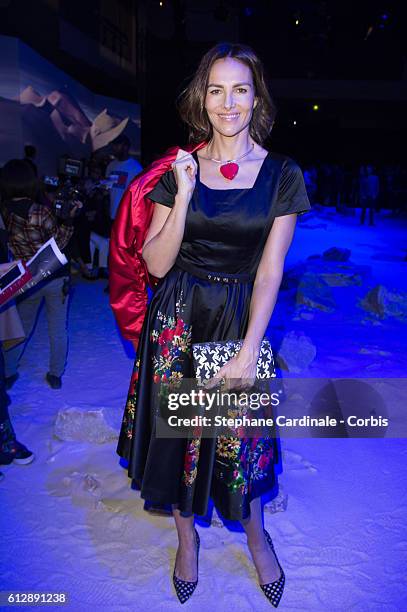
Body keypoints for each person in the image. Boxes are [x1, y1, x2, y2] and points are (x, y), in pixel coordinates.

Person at [110, 42, 311, 607]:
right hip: (177, 320)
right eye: (216, 89)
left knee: (239, 443)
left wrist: (250, 350)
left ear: (256, 97)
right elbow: (155, 263)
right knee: (177, 441)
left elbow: (270, 273)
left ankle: (255, 535)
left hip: (237, 320)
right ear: (203, 97)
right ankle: (185, 540)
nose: (228, 102)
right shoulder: (179, 169)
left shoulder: (282, 175)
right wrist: (185, 192)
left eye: (240, 89)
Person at [0, 160, 81, 390]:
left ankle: (9, 372)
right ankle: (55, 374)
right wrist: (69, 221)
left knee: (21, 326)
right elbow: (60, 243)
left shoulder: (3, 213)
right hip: (55, 276)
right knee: (57, 328)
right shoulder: (40, 211)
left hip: (26, 279)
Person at [106, 134, 142, 222]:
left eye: (117, 145)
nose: (114, 148)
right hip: (112, 213)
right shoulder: (111, 165)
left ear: (125, 147)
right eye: (113, 145)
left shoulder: (136, 168)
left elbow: (139, 195)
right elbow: (109, 188)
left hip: (126, 216)